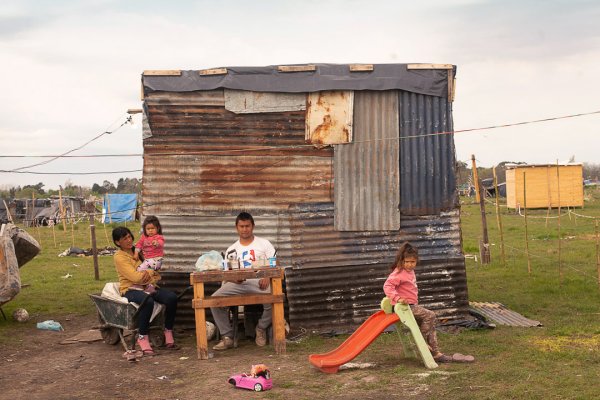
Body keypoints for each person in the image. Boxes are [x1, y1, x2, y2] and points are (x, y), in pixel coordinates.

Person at [383, 242, 474, 363]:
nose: (410, 265)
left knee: (430, 324)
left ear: (416, 261)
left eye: (413, 262)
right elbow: (387, 286)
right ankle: (419, 341)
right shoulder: (399, 273)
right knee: (430, 315)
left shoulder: (409, 271)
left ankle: (436, 353)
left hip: (411, 307)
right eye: (407, 262)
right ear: (402, 260)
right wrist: (398, 298)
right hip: (404, 308)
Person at [211, 212, 276, 351]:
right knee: (214, 300)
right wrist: (235, 278)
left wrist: (267, 276)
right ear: (236, 228)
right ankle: (227, 337)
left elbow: (274, 263)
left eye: (247, 226)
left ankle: (260, 328)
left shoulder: (264, 243)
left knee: (275, 298)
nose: (245, 229)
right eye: (242, 226)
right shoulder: (232, 249)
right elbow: (226, 273)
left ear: (253, 226)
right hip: (238, 284)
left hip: (260, 282)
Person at [112, 226, 179, 355]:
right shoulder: (119, 257)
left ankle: (168, 330)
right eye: (124, 238)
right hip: (130, 289)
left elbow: (156, 271)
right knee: (147, 301)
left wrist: (149, 273)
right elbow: (135, 277)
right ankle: (142, 336)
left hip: (148, 286)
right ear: (117, 242)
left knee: (171, 298)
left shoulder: (139, 252)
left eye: (130, 236)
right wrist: (149, 271)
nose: (129, 240)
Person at [131, 216, 165, 293]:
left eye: (152, 228)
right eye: (148, 229)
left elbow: (161, 243)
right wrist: (136, 253)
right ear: (145, 230)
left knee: (139, 269)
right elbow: (139, 245)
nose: (150, 231)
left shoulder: (158, 237)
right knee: (148, 274)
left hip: (156, 261)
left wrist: (156, 243)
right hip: (148, 261)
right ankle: (150, 287)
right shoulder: (143, 237)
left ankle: (138, 284)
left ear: (158, 228)